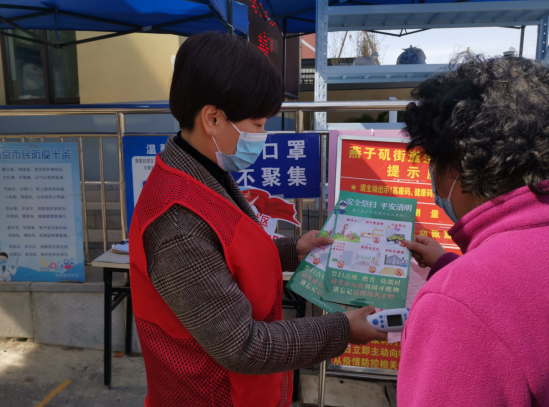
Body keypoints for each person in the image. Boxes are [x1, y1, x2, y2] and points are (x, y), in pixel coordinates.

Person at [129, 32, 386, 407]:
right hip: (210, 397)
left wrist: (293, 250)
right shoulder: (177, 224)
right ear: (212, 119)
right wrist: (343, 329)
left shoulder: (201, 171)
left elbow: (223, 258)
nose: (263, 136)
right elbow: (243, 345)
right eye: (258, 124)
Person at [398, 54, 549, 406]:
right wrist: (448, 265)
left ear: (457, 165)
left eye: (432, 161)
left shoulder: (459, 300)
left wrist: (457, 284)